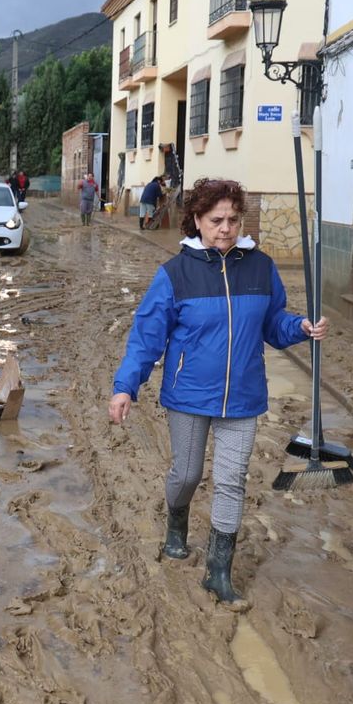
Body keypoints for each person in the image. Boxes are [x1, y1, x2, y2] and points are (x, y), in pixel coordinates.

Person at [107, 178, 328, 611]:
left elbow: (273, 324)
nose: (225, 228)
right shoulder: (175, 274)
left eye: (232, 219)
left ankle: (218, 571)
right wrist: (124, 388)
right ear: (196, 221)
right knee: (187, 474)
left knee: (231, 481)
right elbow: (146, 338)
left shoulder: (260, 267)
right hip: (188, 395)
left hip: (242, 398)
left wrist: (300, 327)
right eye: (216, 220)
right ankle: (177, 525)